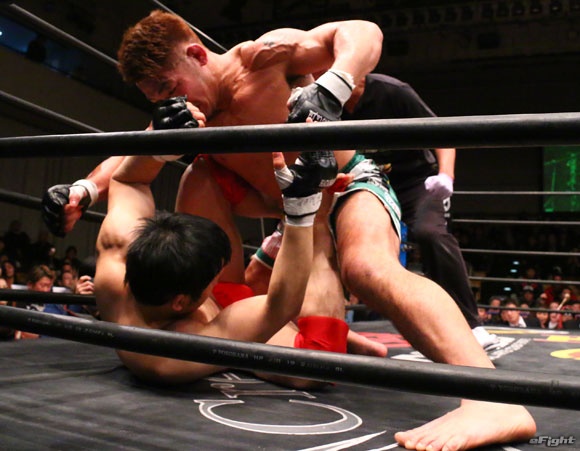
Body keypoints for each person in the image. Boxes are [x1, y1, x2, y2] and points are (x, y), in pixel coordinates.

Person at [43, 11, 536, 449]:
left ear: (196, 55)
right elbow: (135, 153)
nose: (169, 102)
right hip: (286, 205)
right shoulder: (193, 111)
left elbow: (363, 31)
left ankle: (492, 398)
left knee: (367, 269)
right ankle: (244, 335)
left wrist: (335, 83)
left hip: (345, 183)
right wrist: (82, 190)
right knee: (200, 172)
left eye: (169, 88)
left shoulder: (264, 57)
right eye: (156, 98)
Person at [246, 73, 499, 351]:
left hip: (414, 182)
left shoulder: (392, 91)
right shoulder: (322, 101)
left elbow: (443, 134)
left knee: (429, 234)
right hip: (355, 182)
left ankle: (471, 325)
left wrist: (446, 175)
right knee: (283, 262)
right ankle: (337, 333)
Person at [95, 143, 352, 387]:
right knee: (318, 361)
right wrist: (303, 211)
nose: (220, 275)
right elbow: (280, 306)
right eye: (215, 277)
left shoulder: (115, 265)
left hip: (204, 300)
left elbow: (127, 181)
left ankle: (281, 205)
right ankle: (316, 220)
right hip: (216, 326)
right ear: (181, 302)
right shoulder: (172, 355)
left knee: (204, 172)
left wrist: (161, 146)